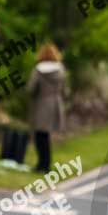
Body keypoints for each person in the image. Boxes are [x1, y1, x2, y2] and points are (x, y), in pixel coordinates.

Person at [28, 43, 66, 172]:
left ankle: (42, 165)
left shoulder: (38, 70)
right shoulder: (60, 70)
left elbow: (31, 88)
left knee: (40, 136)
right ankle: (46, 164)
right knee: (46, 135)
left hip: (42, 104)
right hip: (56, 104)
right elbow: (64, 88)